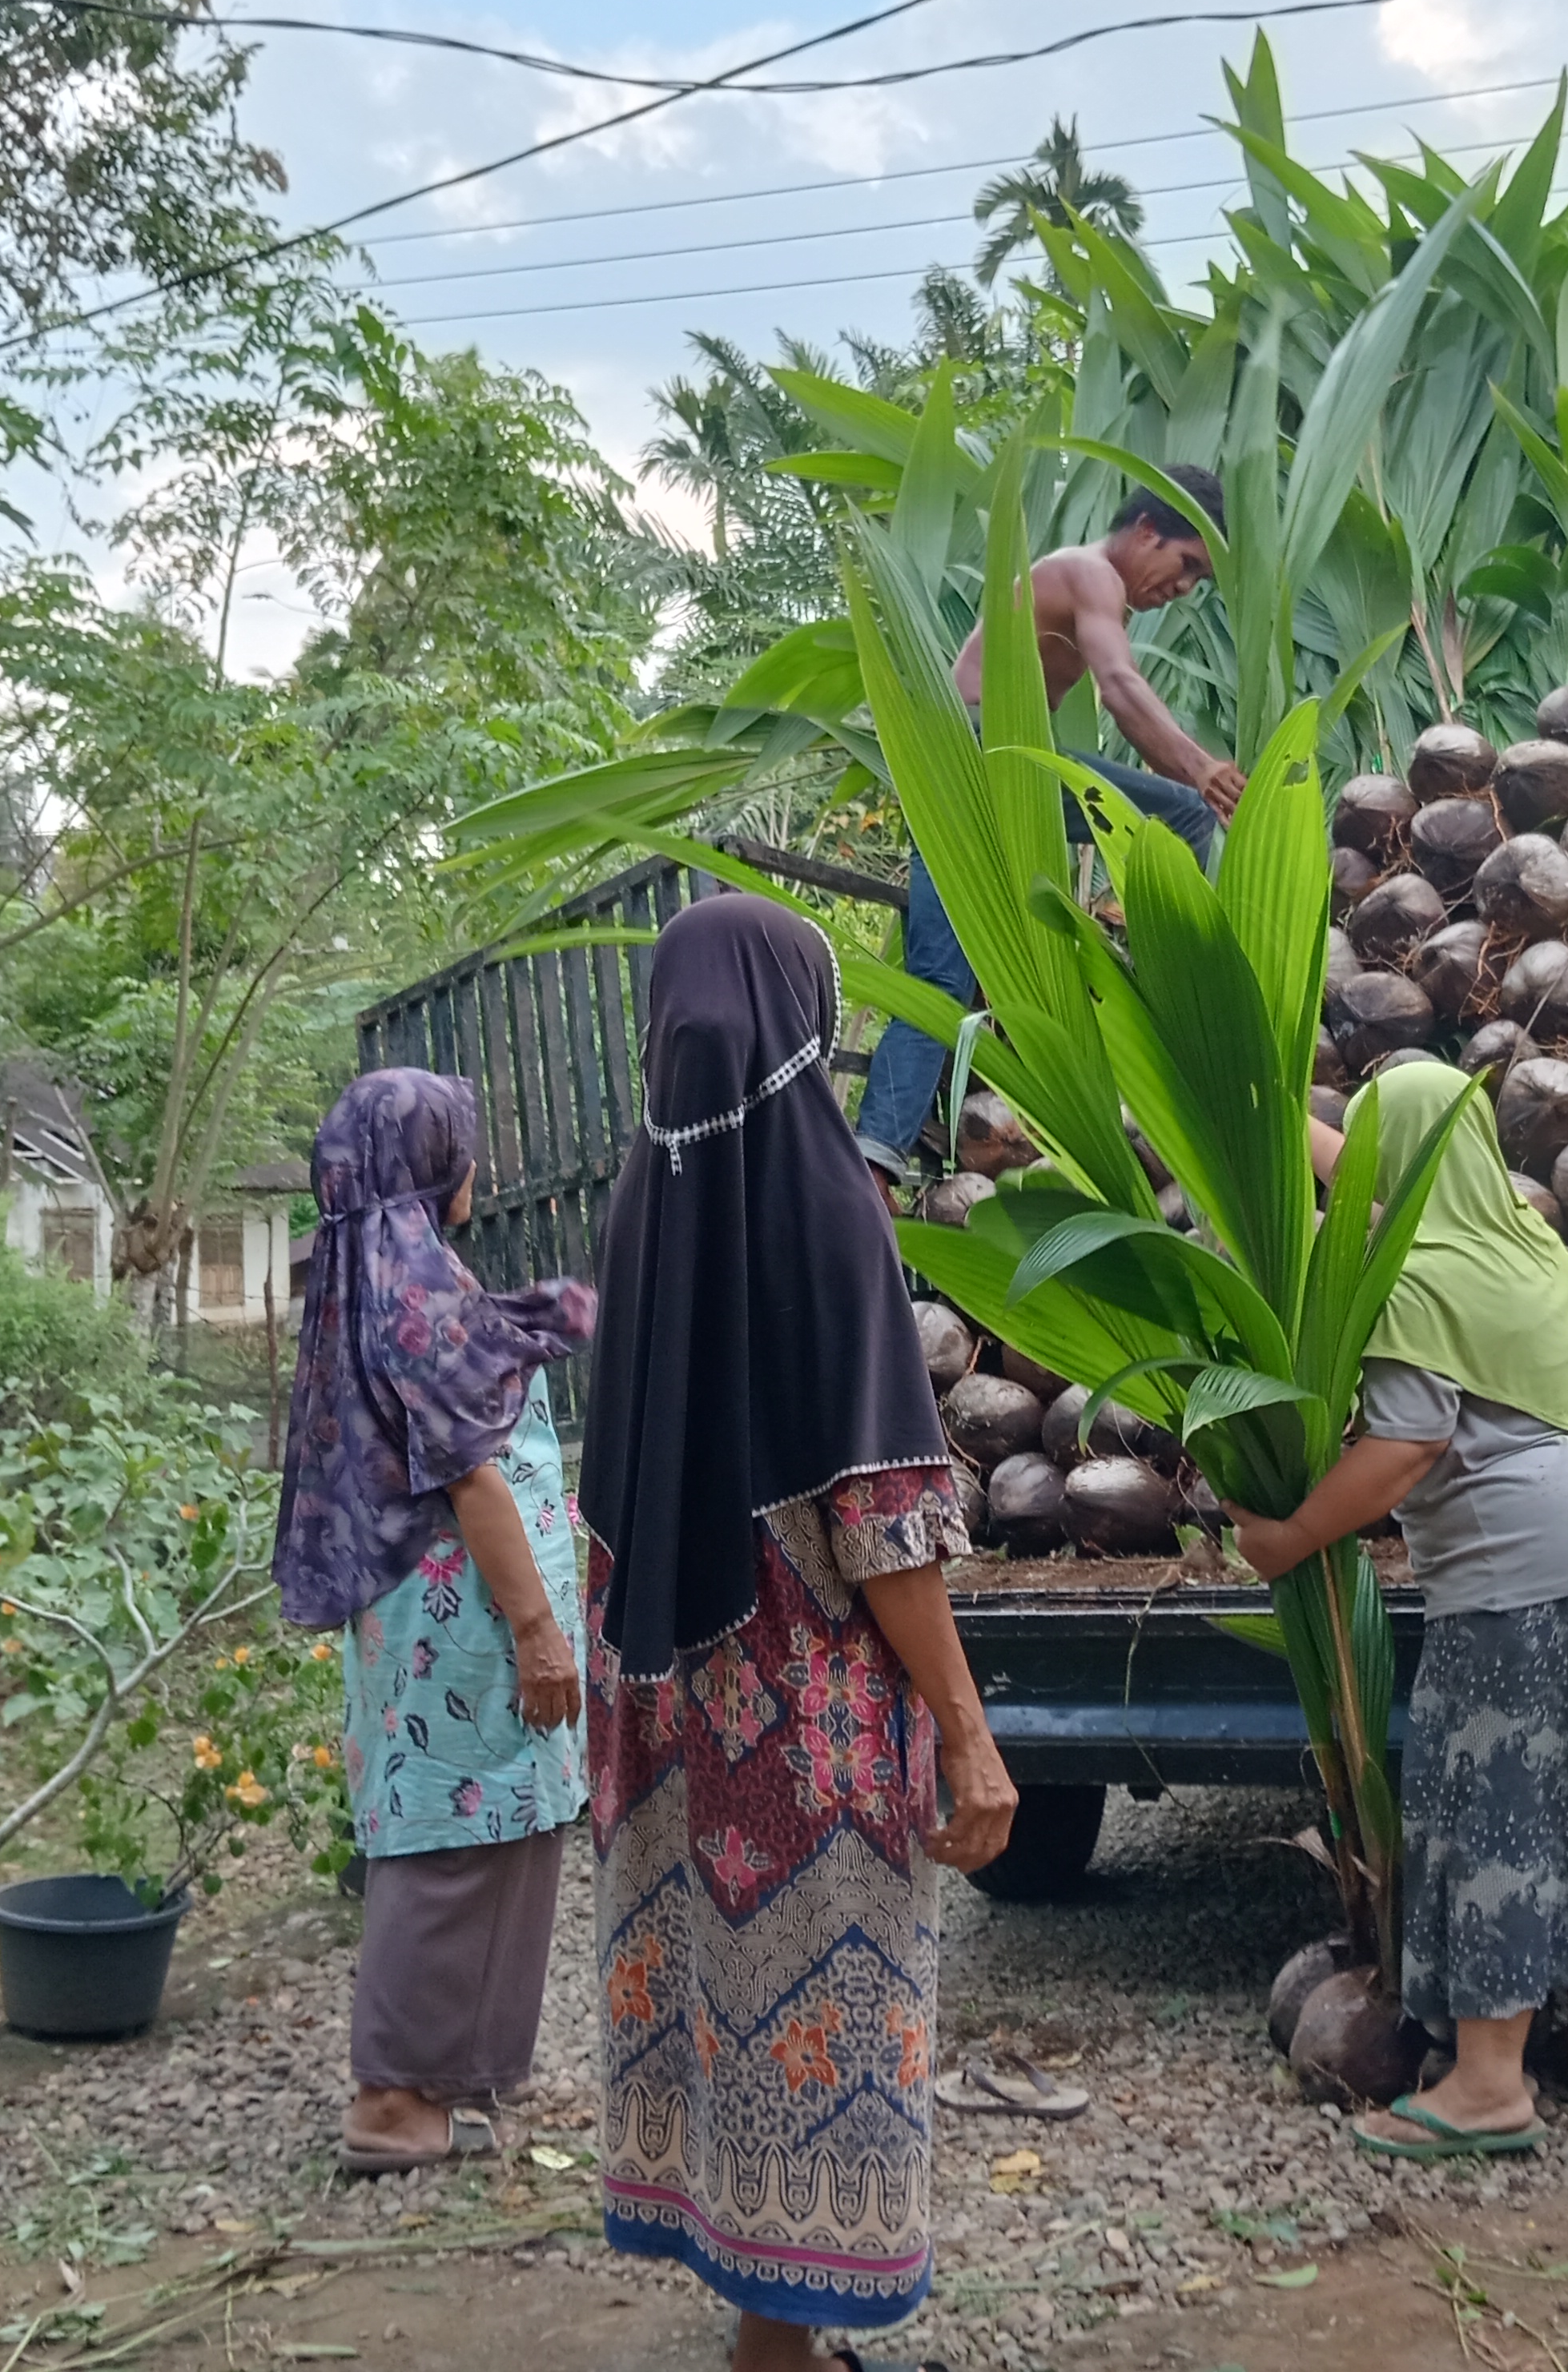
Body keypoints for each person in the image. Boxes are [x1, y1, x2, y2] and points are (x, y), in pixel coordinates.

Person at [583, 892, 1019, 2372]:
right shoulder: (829, 1206)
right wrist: (967, 1732)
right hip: (804, 1717)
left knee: (716, 1992)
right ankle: (778, 2346)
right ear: (801, 1021)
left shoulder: (642, 1201)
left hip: (667, 1705)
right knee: (813, 1994)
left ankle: (769, 2319)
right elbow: (880, 1515)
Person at [1224, 1063, 1568, 2158]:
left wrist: (1286, 1538)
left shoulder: (1413, 1281)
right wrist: (1260, 1104)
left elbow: (1406, 1447)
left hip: (1530, 1569)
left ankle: (1487, 2087)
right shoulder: (1525, 1240)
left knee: (1504, 1807)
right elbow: (1380, 1177)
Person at [270, 1067, 598, 2173]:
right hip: (464, 1615)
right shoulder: (412, 1288)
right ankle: (391, 2101)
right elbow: (471, 1473)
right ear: (423, 1163)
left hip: (425, 1614)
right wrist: (537, 1628)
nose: (478, 1165)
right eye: (462, 1141)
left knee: (481, 1827)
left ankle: (452, 2073)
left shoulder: (377, 1274)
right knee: (451, 1839)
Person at [854, 466, 1234, 1184]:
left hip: (947, 769)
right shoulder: (1092, 575)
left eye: (1198, 581)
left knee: (940, 978)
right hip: (988, 753)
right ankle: (1155, 963)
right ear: (1146, 531)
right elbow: (1120, 685)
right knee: (1184, 812)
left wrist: (1195, 771)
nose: (1184, 588)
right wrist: (1202, 768)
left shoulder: (1080, 580)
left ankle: (871, 1165)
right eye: (1187, 564)